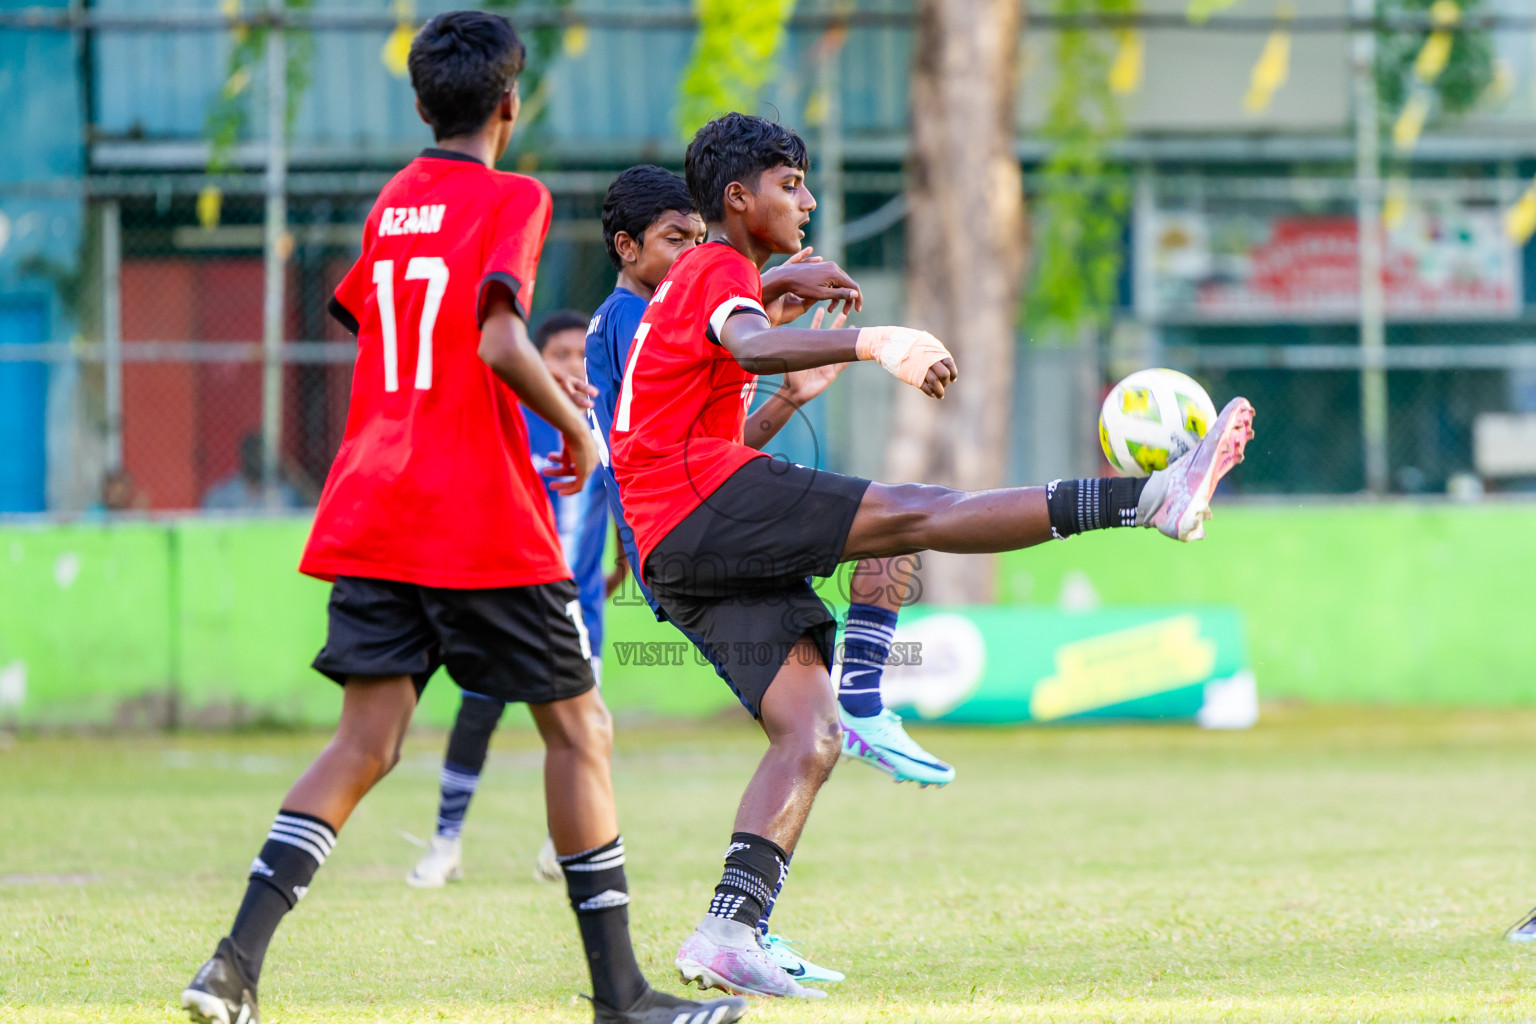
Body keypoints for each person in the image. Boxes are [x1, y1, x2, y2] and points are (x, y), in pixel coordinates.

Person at [607, 113, 1256, 1000]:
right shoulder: (714, 267)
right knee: (918, 515)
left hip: (669, 544)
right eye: (788, 183)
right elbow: (750, 341)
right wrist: (878, 342)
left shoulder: (715, 273)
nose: (806, 197)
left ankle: (730, 930)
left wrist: (782, 282)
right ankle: (1148, 498)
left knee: (811, 732)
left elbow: (734, 347)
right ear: (736, 197)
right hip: (695, 502)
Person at [178, 15, 747, 1024]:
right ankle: (620, 994)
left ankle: (232, 964)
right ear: (510, 103)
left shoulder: (391, 202)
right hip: (475, 509)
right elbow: (494, 334)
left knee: (366, 740)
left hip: (373, 500)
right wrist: (579, 425)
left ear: (418, 103)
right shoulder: (513, 197)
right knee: (580, 729)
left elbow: (370, 318)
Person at [582, 164, 944, 986]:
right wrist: (777, 283)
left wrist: (787, 397)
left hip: (689, 520)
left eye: (697, 239)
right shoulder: (630, 319)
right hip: (680, 536)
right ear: (627, 247)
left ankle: (739, 927)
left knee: (806, 734)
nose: (691, 255)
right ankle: (865, 699)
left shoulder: (683, 305)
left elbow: (719, 443)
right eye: (676, 241)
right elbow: (652, 454)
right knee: (899, 513)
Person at [407, 309, 624, 890]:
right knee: (477, 716)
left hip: (578, 612)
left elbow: (631, 508)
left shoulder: (611, 425)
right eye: (559, 355)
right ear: (534, 360)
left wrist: (622, 570)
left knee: (586, 729)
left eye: (584, 355)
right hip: (503, 598)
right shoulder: (510, 421)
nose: (574, 366)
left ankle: (566, 846)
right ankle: (445, 844)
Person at [201, 433, 307, 511]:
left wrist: (294, 474)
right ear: (243, 457)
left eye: (260, 456)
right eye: (252, 455)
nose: (255, 461)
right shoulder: (224, 494)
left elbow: (314, 512)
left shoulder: (283, 493)